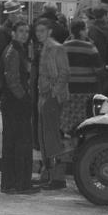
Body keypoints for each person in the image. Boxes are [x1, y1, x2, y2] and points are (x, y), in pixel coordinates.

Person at [0, 21, 37, 194]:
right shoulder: (14, 51)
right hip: (16, 103)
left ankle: (12, 182)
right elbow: (12, 79)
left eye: (26, 31)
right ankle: (20, 183)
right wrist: (24, 97)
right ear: (13, 32)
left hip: (11, 102)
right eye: (21, 31)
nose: (24, 34)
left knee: (13, 144)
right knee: (20, 144)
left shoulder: (15, 49)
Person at [34, 20, 70, 189]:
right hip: (44, 95)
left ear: (49, 31)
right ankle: (48, 173)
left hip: (51, 97)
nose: (38, 34)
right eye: (37, 31)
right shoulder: (44, 48)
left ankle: (57, 177)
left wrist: (54, 93)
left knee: (51, 138)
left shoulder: (56, 48)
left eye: (42, 30)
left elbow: (64, 72)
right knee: (44, 137)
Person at [60, 19, 106, 141]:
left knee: (69, 117)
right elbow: (98, 69)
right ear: (81, 32)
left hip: (69, 88)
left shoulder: (64, 46)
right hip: (87, 88)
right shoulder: (89, 47)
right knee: (84, 119)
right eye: (85, 29)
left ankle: (70, 142)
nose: (87, 31)